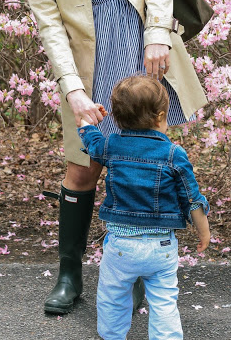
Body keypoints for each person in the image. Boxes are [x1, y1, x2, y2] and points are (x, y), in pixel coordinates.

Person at [6, 0, 208, 315]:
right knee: (83, 166)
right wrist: (72, 89)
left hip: (141, 41)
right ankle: (70, 272)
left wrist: (158, 29)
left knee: (146, 155)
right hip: (86, 59)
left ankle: (140, 269)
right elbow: (47, 21)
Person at [78, 74, 210, 340]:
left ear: (116, 118)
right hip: (161, 249)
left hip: (121, 248)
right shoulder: (173, 154)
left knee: (113, 297)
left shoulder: (112, 145)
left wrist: (86, 123)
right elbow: (191, 197)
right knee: (164, 302)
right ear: (161, 115)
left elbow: (93, 143)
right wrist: (203, 232)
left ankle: (112, 336)